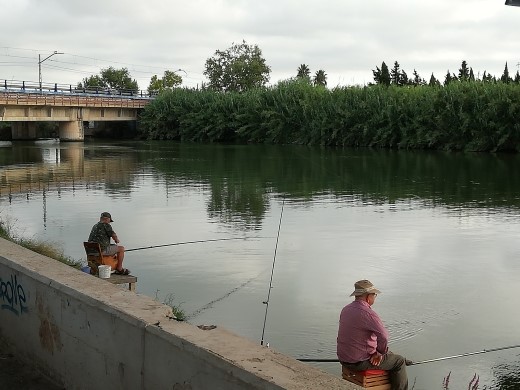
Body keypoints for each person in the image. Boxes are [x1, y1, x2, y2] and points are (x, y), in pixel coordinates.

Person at [337, 279, 409, 390]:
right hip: (359, 362)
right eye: (374, 295)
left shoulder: (346, 309)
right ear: (368, 296)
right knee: (399, 361)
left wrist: (380, 352)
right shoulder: (368, 313)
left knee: (388, 354)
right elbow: (384, 336)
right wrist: (379, 353)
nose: (375, 297)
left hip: (343, 358)